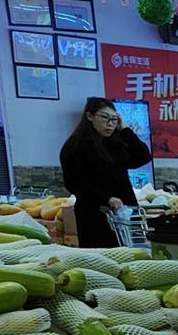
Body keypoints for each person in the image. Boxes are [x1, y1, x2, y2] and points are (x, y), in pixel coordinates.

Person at [59, 97, 151, 248]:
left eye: (114, 119)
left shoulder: (115, 143)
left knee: (134, 256)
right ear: (90, 116)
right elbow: (74, 182)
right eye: (105, 118)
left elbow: (143, 157)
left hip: (125, 212)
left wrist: (125, 130)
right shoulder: (74, 145)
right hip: (95, 214)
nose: (110, 124)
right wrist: (106, 198)